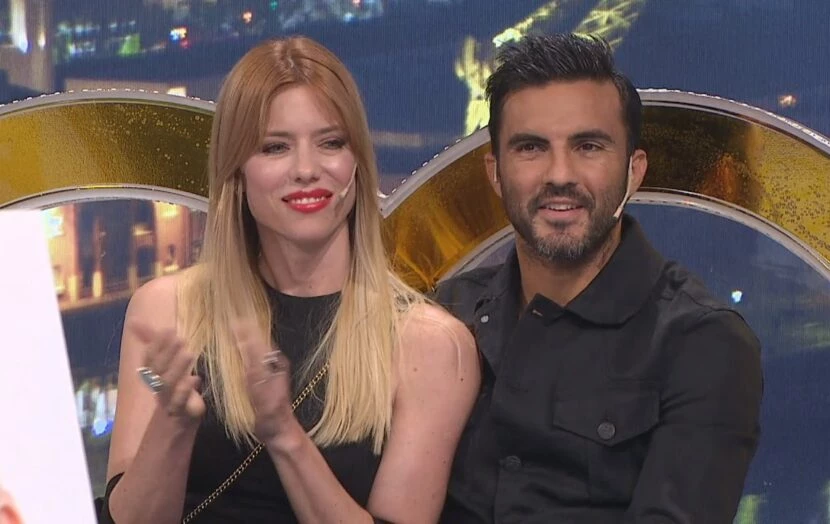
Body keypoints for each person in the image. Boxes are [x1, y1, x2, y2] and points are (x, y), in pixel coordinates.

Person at [100, 36, 480, 523]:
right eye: (275, 147)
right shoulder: (169, 310)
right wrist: (172, 425)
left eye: (331, 143)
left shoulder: (431, 345)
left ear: (358, 163)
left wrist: (283, 433)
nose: (306, 170)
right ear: (237, 170)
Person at [436, 34, 763, 523]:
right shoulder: (445, 316)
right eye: (531, 148)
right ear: (495, 172)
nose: (559, 174)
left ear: (634, 171)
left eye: (588, 146)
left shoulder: (702, 342)